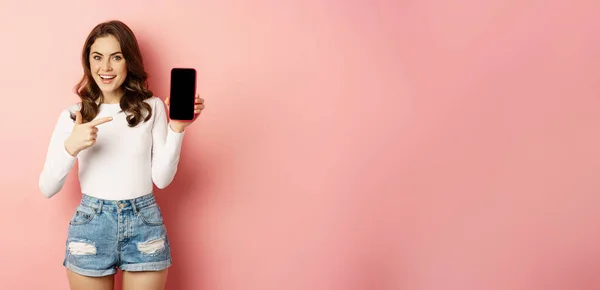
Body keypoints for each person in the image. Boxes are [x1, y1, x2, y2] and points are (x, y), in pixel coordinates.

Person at [38, 20, 204, 290]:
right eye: (97, 57)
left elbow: (161, 179)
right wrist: (72, 146)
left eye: (116, 57)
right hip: (91, 225)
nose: (105, 68)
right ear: (88, 62)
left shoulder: (151, 108)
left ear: (129, 61)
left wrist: (177, 129)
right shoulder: (73, 115)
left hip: (144, 222)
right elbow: (46, 187)